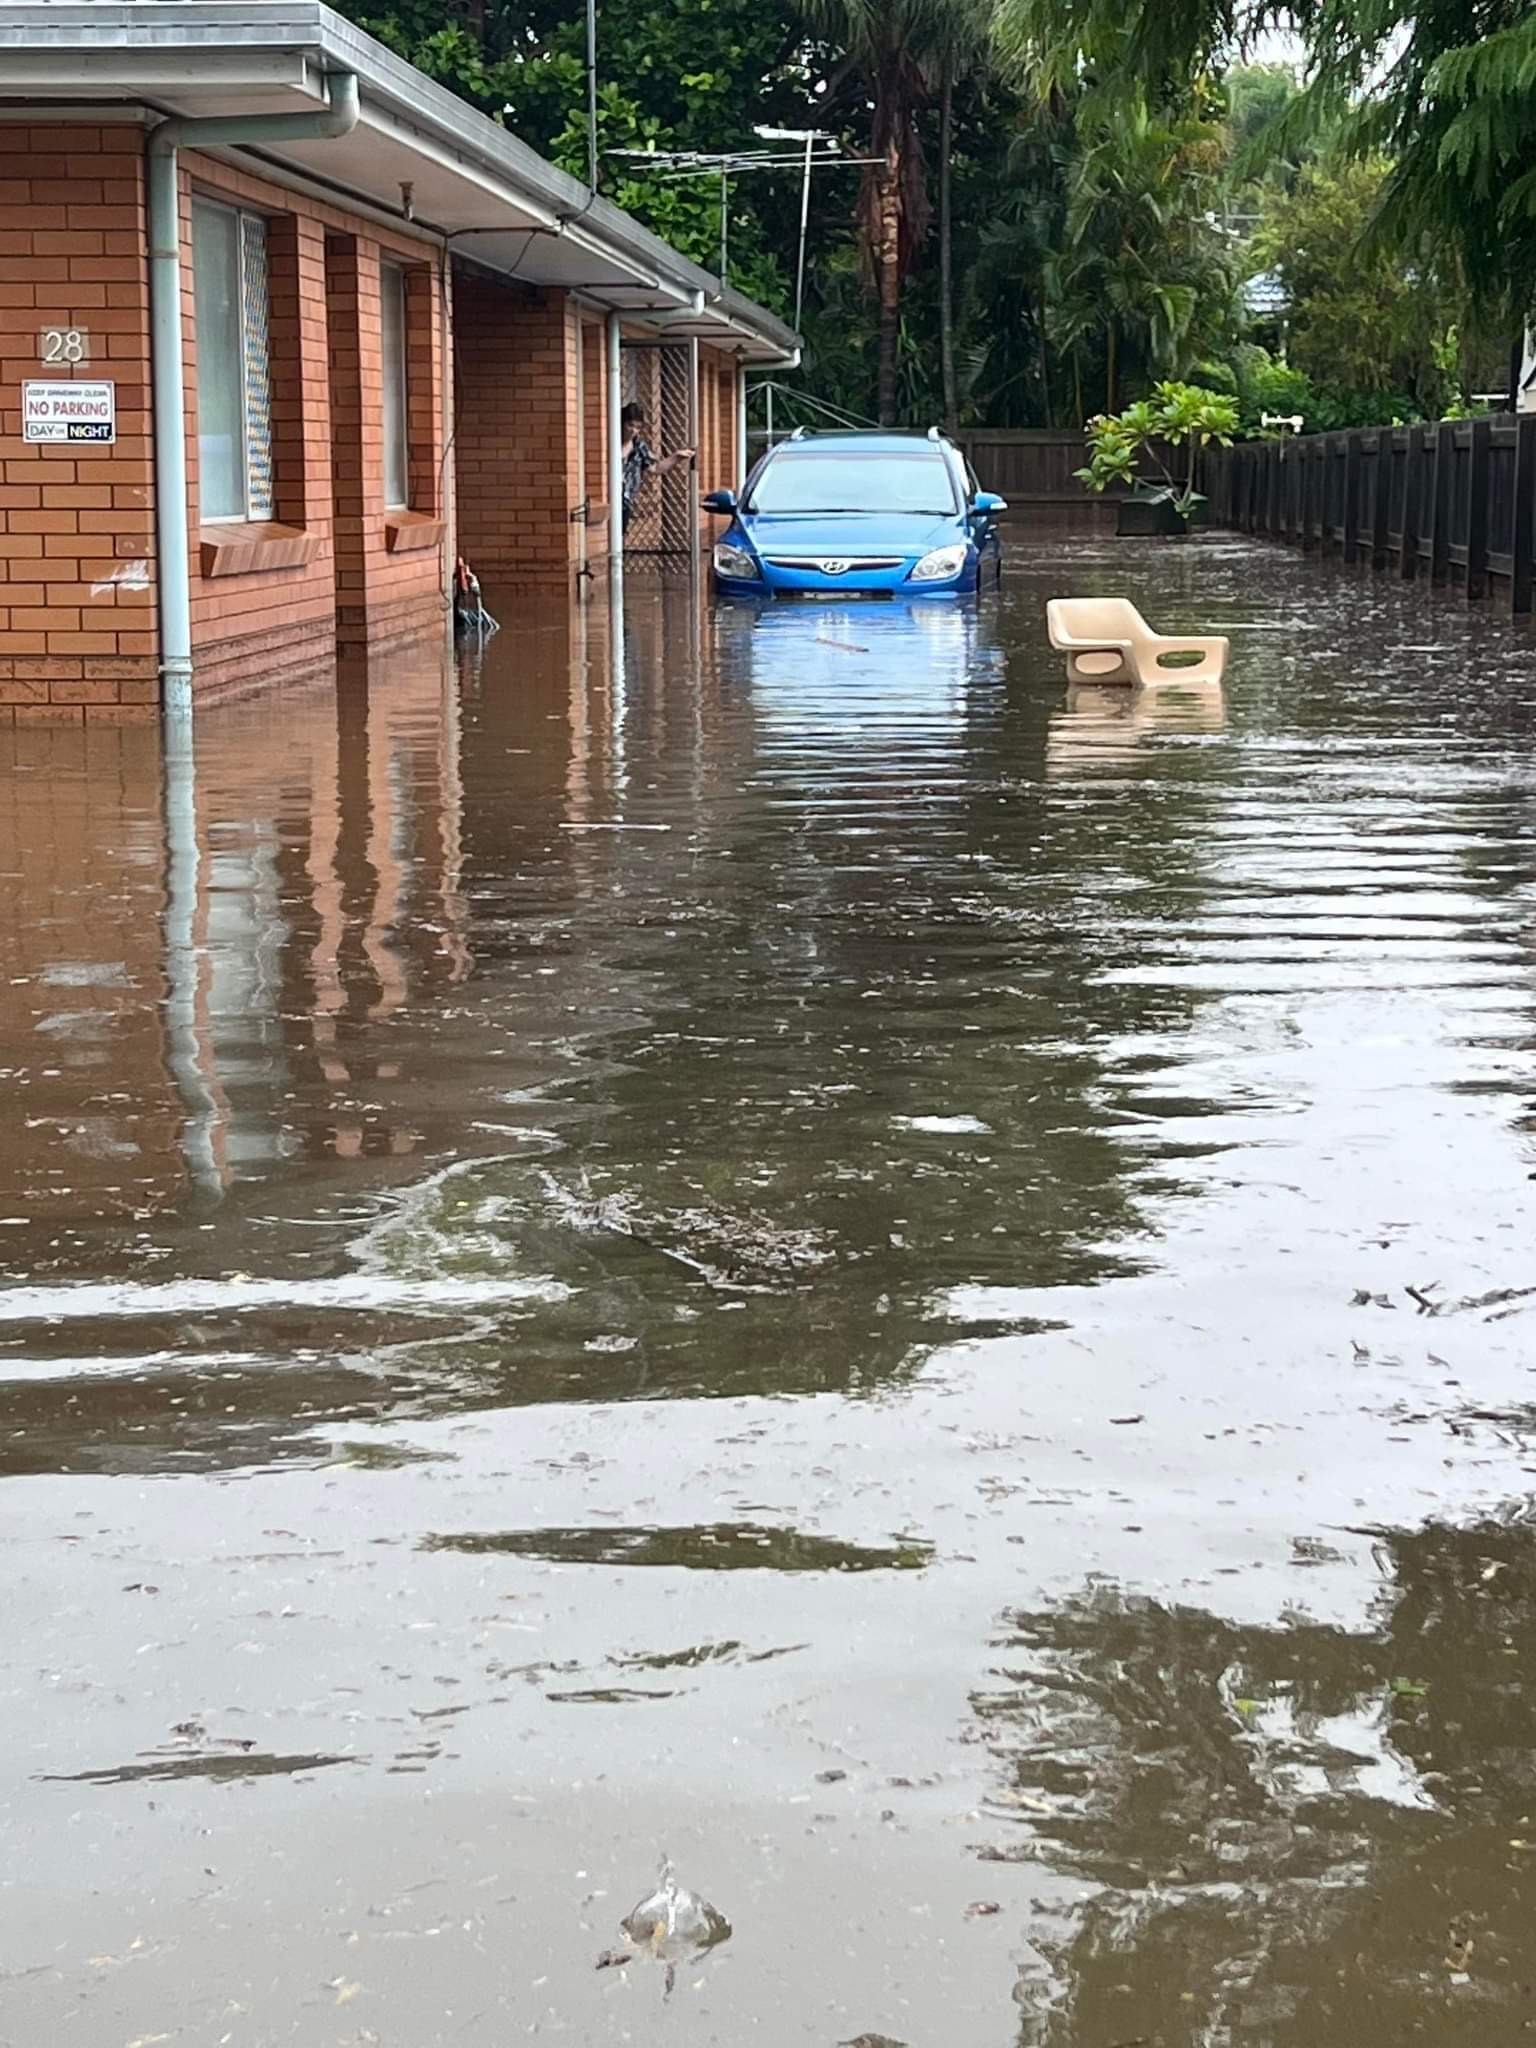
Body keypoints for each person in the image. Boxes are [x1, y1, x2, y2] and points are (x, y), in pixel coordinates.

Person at [621, 402, 694, 535]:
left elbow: (655, 468)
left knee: (620, 536)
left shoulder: (639, 446)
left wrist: (676, 457)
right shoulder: (611, 442)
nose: (633, 431)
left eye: (638, 427)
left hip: (626, 501)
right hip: (610, 497)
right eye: (630, 425)